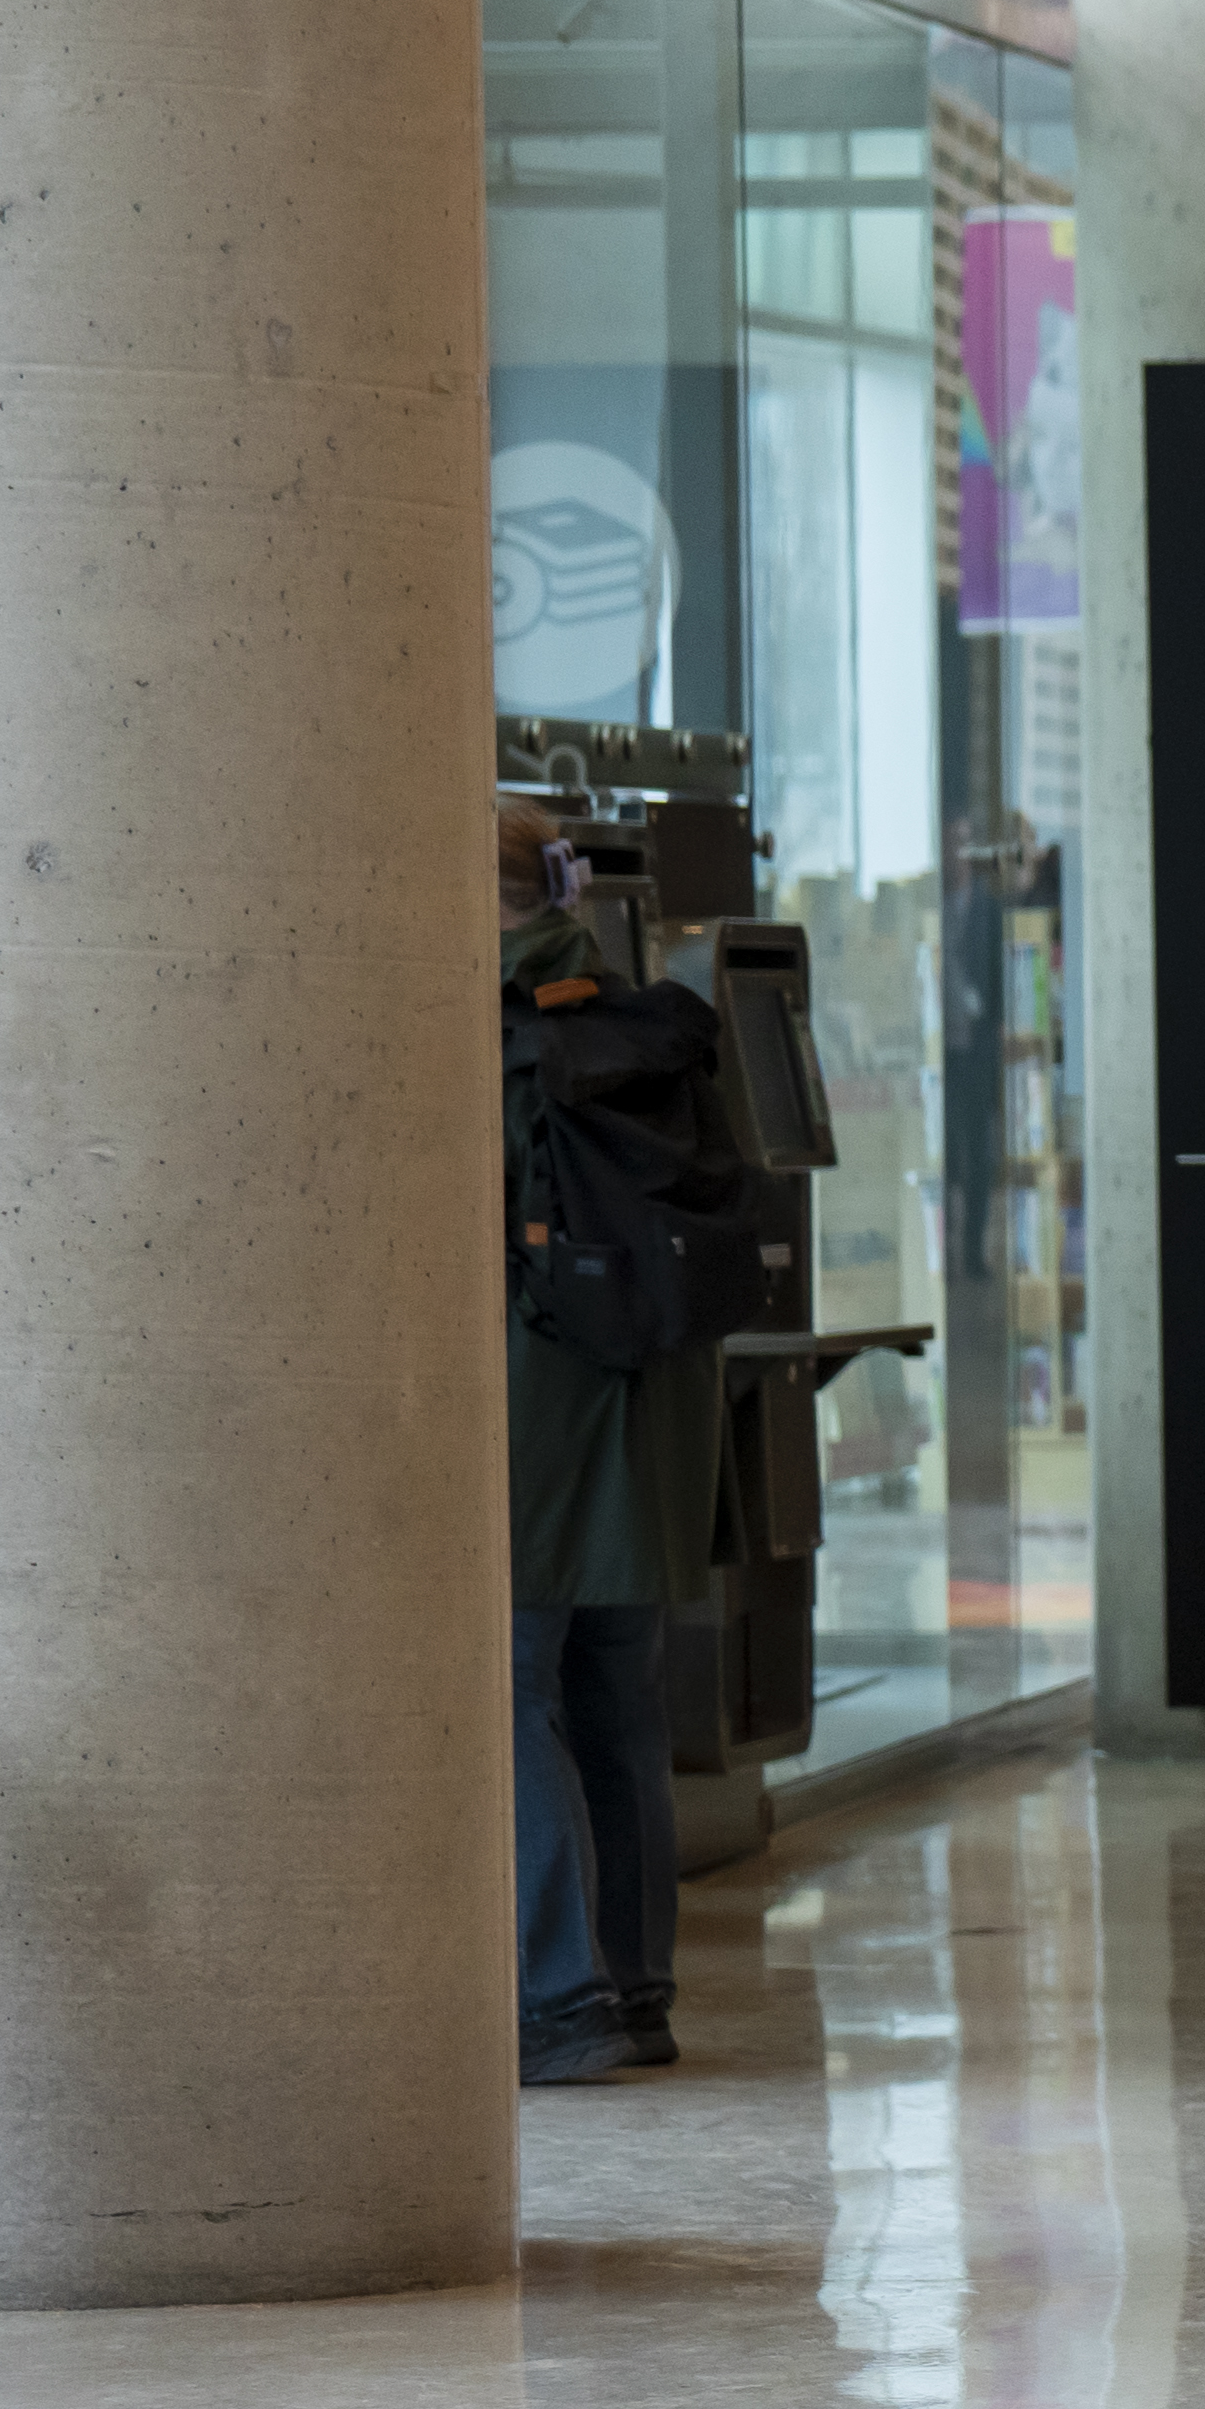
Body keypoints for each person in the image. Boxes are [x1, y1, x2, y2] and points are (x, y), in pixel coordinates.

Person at [499, 799, 726, 2088]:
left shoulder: (497, 1040)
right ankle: (635, 1989)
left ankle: (558, 1994)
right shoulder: (639, 1023)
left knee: (512, 1687)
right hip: (651, 1417)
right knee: (618, 1697)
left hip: (538, 1411)